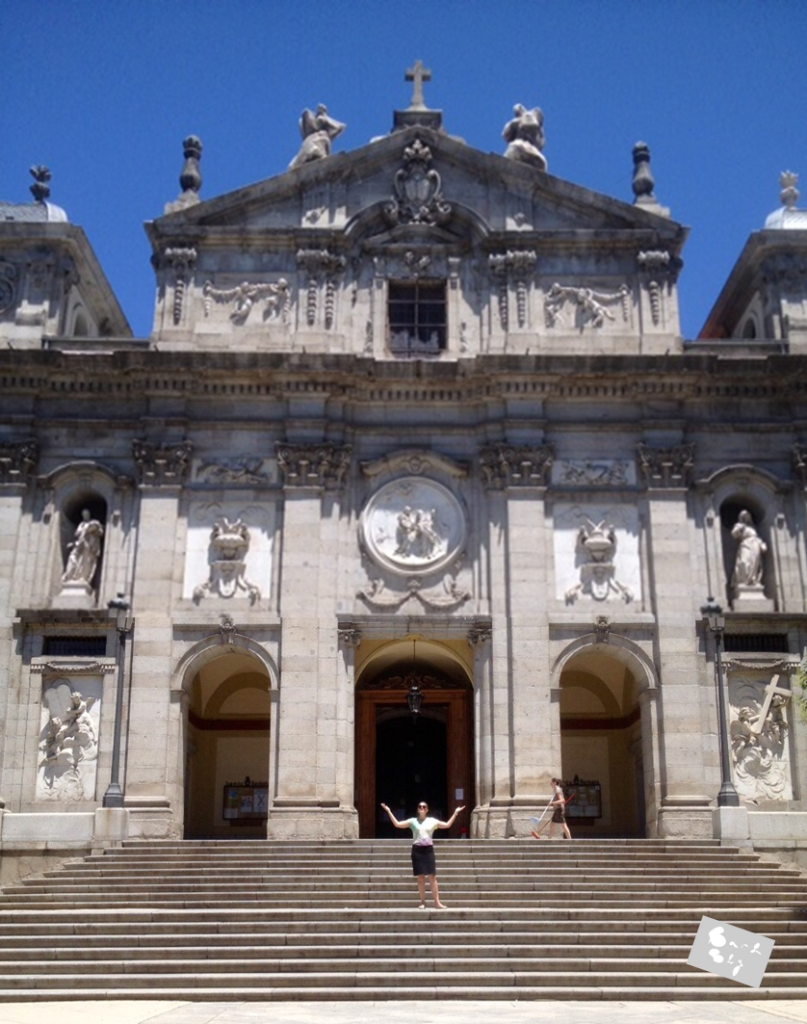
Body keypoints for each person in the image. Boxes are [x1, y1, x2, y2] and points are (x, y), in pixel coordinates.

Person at [380, 799, 465, 909]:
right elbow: (397, 824)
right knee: (420, 877)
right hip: (417, 850)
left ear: (427, 809)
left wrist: (455, 813)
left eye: (424, 807)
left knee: (432, 877)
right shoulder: (412, 821)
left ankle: (437, 902)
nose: (422, 808)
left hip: (428, 850)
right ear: (417, 809)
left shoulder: (432, 821)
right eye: (420, 806)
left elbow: (447, 825)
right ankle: (422, 902)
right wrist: (388, 811)